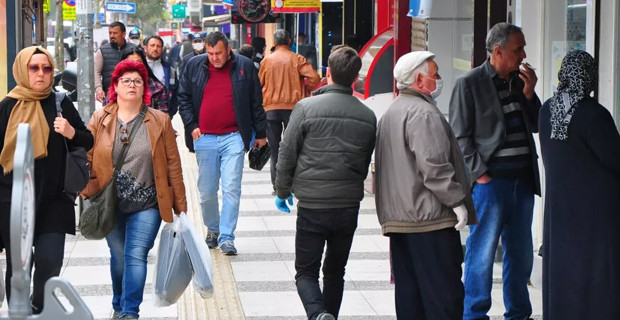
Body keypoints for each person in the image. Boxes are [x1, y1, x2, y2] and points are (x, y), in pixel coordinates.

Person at [274, 46, 376, 320]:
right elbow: (364, 162)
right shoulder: (368, 116)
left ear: (328, 73)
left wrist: (282, 191)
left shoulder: (306, 108)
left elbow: (287, 153)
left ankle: (318, 314)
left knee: (306, 271)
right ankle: (328, 315)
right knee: (335, 272)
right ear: (355, 79)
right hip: (347, 206)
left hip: (313, 205)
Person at [449, 22, 541, 320]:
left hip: (522, 182)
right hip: (491, 184)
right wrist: (481, 174)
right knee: (482, 253)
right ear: (498, 51)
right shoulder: (470, 83)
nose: (523, 54)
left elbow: (537, 124)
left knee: (521, 254)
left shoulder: (518, 81)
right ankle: (475, 314)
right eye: (518, 49)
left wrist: (530, 94)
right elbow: (459, 135)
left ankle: (518, 313)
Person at [82, 59, 187, 320]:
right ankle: (118, 303)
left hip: (147, 203)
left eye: (137, 81)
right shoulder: (100, 118)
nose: (132, 85)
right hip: (110, 203)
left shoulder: (159, 121)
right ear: (115, 86)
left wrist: (181, 209)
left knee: (135, 255)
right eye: (126, 81)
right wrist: (88, 188)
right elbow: (86, 155)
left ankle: (130, 311)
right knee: (117, 256)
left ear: (144, 89)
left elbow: (173, 166)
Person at [375, 51, 476, 319]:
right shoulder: (423, 113)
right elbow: (434, 166)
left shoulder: (391, 112)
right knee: (444, 297)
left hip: (401, 222)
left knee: (411, 299)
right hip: (429, 221)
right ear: (420, 79)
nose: (439, 78)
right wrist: (457, 202)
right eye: (435, 73)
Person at [0, 46, 93, 313]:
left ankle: (38, 308)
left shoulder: (60, 103)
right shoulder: (7, 107)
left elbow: (88, 140)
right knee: (19, 267)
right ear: (22, 70)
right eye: (34, 67)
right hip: (13, 200)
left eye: (47, 68)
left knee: (50, 260)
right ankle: (19, 313)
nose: (41, 73)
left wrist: (71, 131)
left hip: (54, 198)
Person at [539, 50, 620, 320]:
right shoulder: (594, 115)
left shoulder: (547, 110)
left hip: (560, 210)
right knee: (595, 270)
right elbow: (614, 158)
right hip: (595, 213)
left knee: (563, 269)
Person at [178, 31, 267, 255]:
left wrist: (261, 134)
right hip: (204, 137)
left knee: (231, 188)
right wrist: (191, 125)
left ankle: (227, 237)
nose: (214, 58)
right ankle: (213, 229)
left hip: (234, 137)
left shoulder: (245, 66)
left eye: (218, 53)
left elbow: (256, 101)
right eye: (210, 53)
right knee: (206, 191)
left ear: (228, 50)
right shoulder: (194, 66)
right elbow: (183, 98)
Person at [259, 29, 320, 194]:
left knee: (274, 148)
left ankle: (276, 186)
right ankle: (292, 184)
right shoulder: (297, 59)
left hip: (270, 109)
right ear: (290, 42)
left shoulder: (266, 61)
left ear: (274, 43)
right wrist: (306, 88)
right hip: (293, 109)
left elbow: (259, 84)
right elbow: (315, 78)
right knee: (292, 147)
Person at [121, 47, 173, 116]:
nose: (134, 66)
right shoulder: (117, 87)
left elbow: (163, 119)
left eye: (138, 62)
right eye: (129, 63)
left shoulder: (158, 89)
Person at [95, 21, 137, 103]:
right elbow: (96, 72)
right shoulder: (102, 51)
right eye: (110, 33)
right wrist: (98, 89)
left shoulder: (134, 50)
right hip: (110, 96)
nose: (112, 36)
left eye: (115, 33)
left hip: (131, 95)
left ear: (123, 34)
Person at [144, 35, 179, 116]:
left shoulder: (170, 70)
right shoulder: (139, 67)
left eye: (158, 46)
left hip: (163, 116)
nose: (155, 49)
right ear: (145, 48)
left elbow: (176, 93)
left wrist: (170, 113)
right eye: (152, 45)